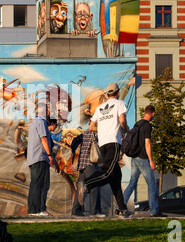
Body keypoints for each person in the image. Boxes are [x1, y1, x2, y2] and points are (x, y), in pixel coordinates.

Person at [84, 82, 131, 218]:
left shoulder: (100, 108)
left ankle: (122, 209)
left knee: (116, 177)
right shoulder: (119, 103)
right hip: (113, 142)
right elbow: (122, 120)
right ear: (117, 93)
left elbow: (91, 127)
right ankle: (87, 184)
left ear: (107, 93)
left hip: (103, 144)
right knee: (108, 172)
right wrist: (126, 129)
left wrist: (104, 128)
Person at [122, 105, 166, 217]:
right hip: (142, 158)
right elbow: (147, 143)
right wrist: (151, 160)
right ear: (153, 114)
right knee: (151, 184)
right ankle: (154, 211)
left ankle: (120, 207)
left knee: (132, 183)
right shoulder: (147, 126)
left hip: (134, 158)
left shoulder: (137, 124)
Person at [26, 102, 56, 216]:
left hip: (35, 158)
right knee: (38, 184)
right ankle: (35, 210)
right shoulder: (41, 122)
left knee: (36, 184)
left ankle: (36, 209)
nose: (49, 112)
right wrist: (49, 155)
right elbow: (43, 139)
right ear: (43, 110)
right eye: (47, 110)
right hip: (39, 157)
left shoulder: (35, 122)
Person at [70, 129, 104, 217]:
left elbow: (74, 142)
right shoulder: (97, 134)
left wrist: (73, 150)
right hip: (91, 164)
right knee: (94, 186)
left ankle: (76, 211)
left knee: (80, 189)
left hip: (81, 165)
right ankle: (95, 212)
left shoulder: (85, 133)